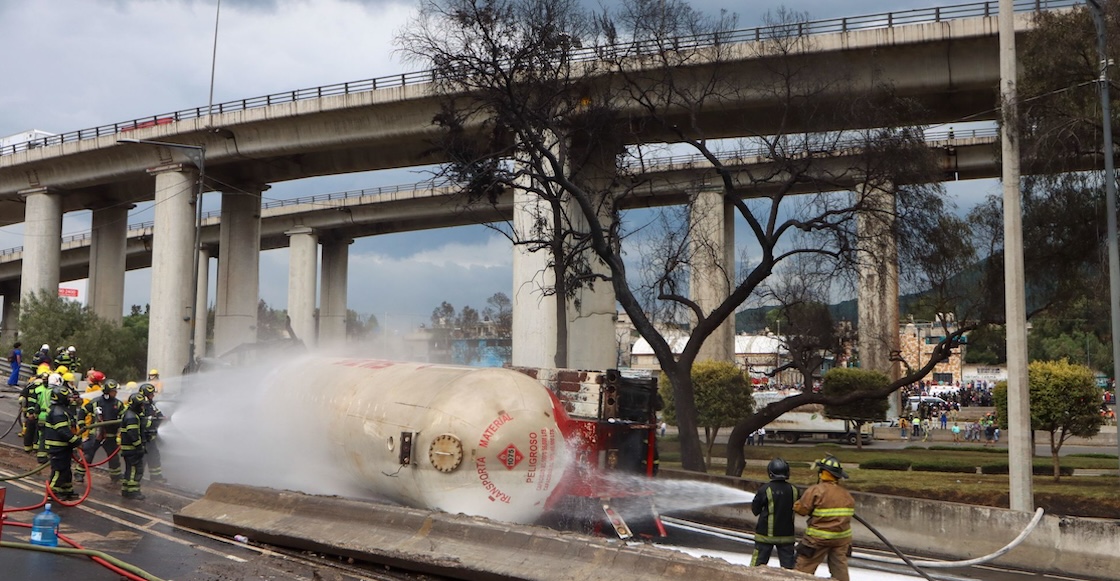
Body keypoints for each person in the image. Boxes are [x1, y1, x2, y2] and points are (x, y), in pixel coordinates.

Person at [794, 455, 856, 581]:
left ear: (822, 473)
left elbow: (802, 510)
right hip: (841, 540)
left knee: (802, 571)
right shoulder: (846, 494)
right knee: (840, 572)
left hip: (817, 539)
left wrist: (796, 505)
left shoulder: (816, 490)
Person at [751, 458, 800, 569]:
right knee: (789, 570)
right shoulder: (794, 490)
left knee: (756, 567)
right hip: (787, 536)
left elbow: (755, 510)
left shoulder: (765, 489)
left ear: (770, 473)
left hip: (765, 536)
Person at [75, 379, 125, 484]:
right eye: (113, 391)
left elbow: (125, 416)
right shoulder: (96, 402)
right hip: (96, 434)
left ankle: (115, 476)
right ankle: (79, 474)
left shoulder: (118, 404)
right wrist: (82, 425)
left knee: (114, 458)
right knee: (88, 454)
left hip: (110, 435)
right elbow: (82, 412)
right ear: (107, 392)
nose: (115, 393)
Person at [43, 384, 82, 501]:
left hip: (64, 446)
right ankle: (52, 492)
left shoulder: (62, 410)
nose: (70, 399)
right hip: (57, 447)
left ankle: (66, 490)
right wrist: (76, 441)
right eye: (67, 397)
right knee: (58, 470)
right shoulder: (58, 412)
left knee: (66, 469)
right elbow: (63, 431)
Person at [119, 393, 147, 500]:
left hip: (128, 449)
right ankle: (133, 491)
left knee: (129, 470)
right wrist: (139, 447)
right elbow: (133, 434)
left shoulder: (129, 414)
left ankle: (126, 490)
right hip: (132, 449)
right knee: (135, 470)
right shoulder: (132, 417)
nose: (142, 407)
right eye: (141, 405)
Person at [139, 382, 167, 483]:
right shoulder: (140, 405)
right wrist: (151, 420)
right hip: (142, 438)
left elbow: (158, 414)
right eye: (151, 394)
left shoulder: (152, 405)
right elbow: (141, 421)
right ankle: (138, 478)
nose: (153, 395)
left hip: (151, 438)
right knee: (142, 459)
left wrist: (162, 418)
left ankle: (156, 477)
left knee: (154, 457)